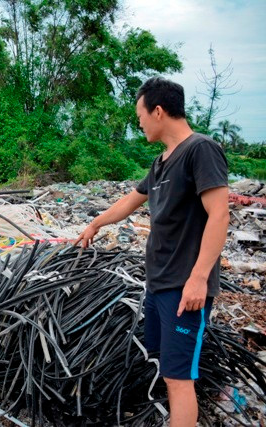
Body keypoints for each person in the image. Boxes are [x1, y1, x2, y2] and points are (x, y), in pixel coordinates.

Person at [76, 76, 229, 427]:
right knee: (168, 370)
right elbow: (130, 201)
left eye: (140, 115)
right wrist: (95, 224)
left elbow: (219, 215)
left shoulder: (200, 149)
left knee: (179, 379)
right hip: (158, 285)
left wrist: (199, 279)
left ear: (158, 111)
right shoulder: (161, 162)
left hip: (184, 289)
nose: (139, 122)